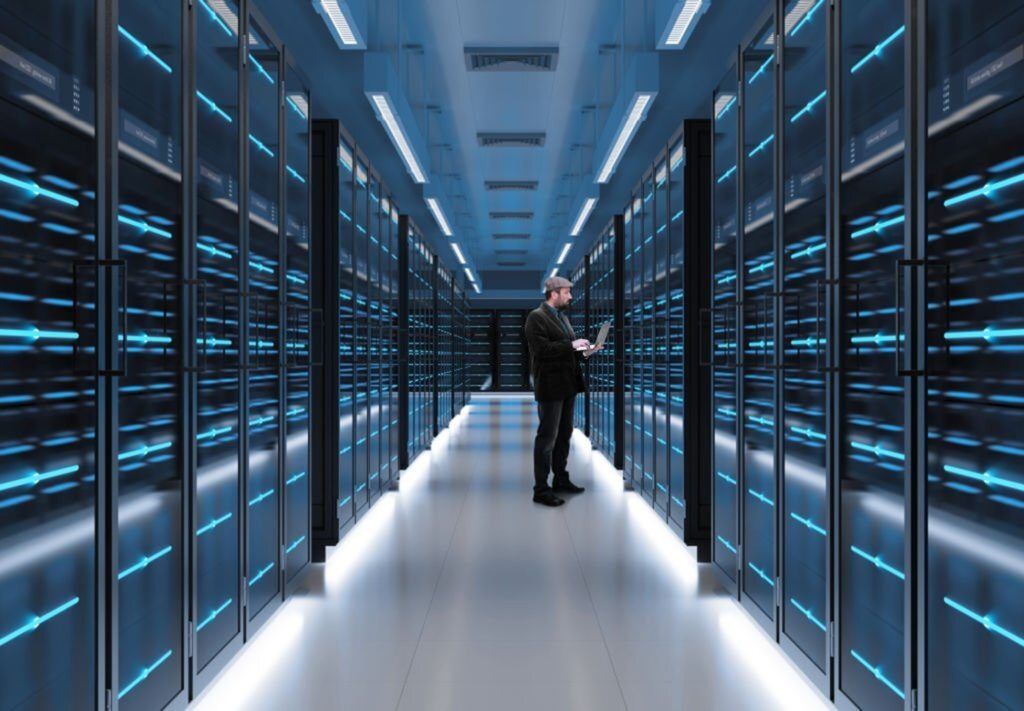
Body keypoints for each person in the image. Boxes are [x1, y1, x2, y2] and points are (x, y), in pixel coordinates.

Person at [524, 276, 601, 507]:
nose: (570, 297)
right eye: (567, 292)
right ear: (554, 293)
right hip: (550, 386)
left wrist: (586, 351)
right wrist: (571, 345)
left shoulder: (562, 318)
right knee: (547, 437)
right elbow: (542, 350)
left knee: (564, 435)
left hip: (568, 384)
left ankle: (561, 478)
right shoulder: (536, 317)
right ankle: (541, 489)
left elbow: (568, 350)